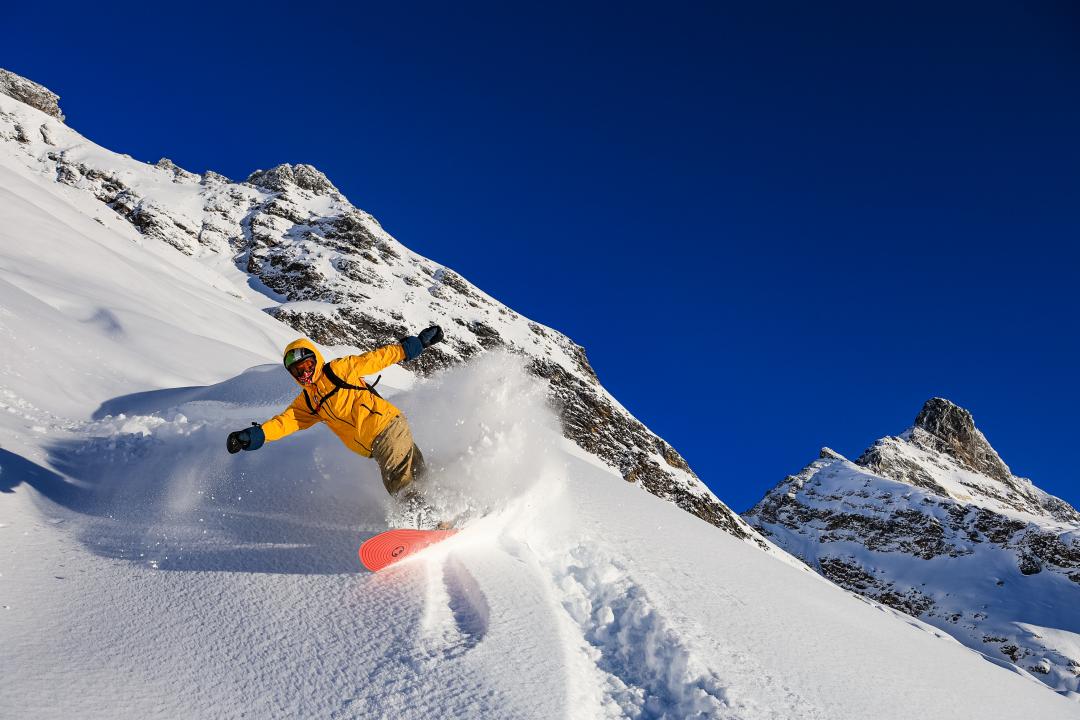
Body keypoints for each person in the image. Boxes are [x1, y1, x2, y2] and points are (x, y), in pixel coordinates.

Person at [226, 326, 444, 501]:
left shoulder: (338, 370)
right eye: (298, 371)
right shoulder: (309, 401)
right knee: (419, 476)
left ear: (316, 359)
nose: (305, 373)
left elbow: (376, 359)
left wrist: (416, 344)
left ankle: (427, 524)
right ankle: (444, 509)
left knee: (399, 484)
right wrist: (255, 435)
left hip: (385, 428)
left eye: (308, 365)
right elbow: (287, 422)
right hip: (378, 442)